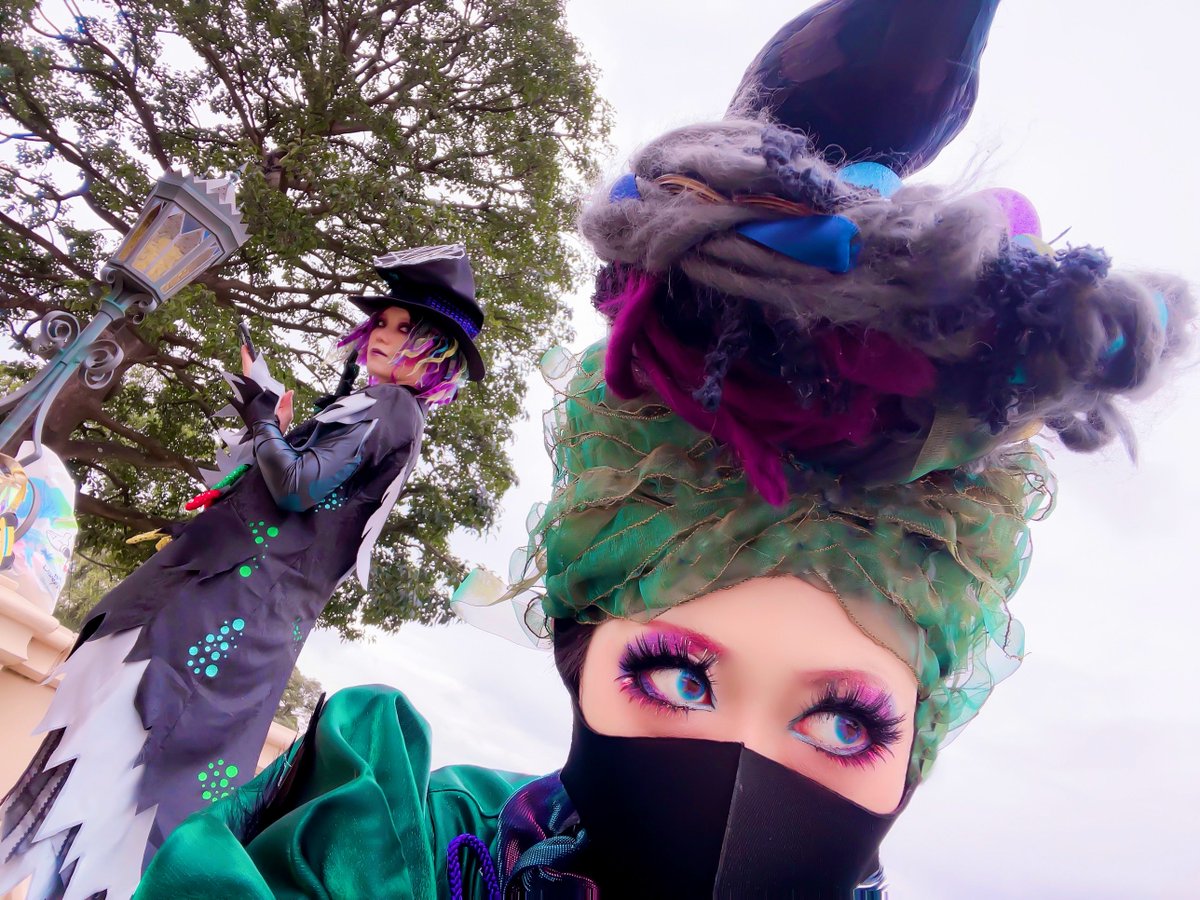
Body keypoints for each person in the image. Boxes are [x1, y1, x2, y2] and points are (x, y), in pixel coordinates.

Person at [135, 2, 1194, 897]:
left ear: (921, 741)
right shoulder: (403, 851)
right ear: (580, 652)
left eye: (845, 724)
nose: (737, 781)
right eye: (679, 678)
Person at [0, 245, 487, 900]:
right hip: (228, 611)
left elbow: (295, 487)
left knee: (128, 776)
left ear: (437, 355)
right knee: (111, 779)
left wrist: (262, 418)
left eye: (407, 330)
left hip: (222, 616)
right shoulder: (376, 411)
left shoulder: (392, 410)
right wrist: (273, 425)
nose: (385, 336)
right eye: (384, 322)